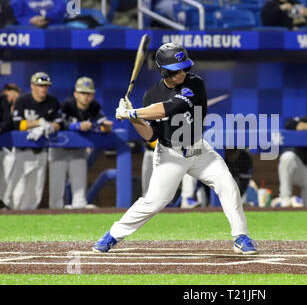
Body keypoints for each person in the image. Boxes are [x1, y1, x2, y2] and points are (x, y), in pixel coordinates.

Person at [93, 42, 258, 255]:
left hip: (200, 150)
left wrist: (134, 113)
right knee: (154, 201)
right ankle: (112, 236)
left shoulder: (195, 84)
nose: (182, 72)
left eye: (185, 68)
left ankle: (241, 236)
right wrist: (133, 117)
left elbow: (171, 107)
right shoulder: (151, 96)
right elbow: (151, 135)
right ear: (163, 71)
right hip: (170, 154)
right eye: (176, 69)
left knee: (227, 184)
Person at [48, 77, 113, 209]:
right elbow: (58, 123)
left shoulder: (94, 106)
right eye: (82, 93)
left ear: (93, 94)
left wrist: (106, 126)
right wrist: (77, 126)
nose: (86, 97)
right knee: (56, 191)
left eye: (88, 93)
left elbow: (103, 122)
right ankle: (53, 219)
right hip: (59, 150)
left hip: (78, 151)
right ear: (75, 94)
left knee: (79, 191)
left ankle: (78, 220)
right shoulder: (67, 105)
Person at [4, 72, 62, 210]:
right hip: (21, 153)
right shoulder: (23, 100)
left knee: (34, 194)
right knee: (16, 193)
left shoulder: (52, 101)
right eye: (40, 85)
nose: (43, 88)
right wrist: (39, 123)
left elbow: (59, 123)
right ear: (32, 86)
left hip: (41, 151)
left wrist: (49, 127)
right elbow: (17, 124)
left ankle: (26, 227)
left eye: (46, 86)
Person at [0, 83, 21, 209]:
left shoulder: (4, 102)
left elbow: (8, 123)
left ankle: (4, 201)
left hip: (5, 148)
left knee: (9, 164)